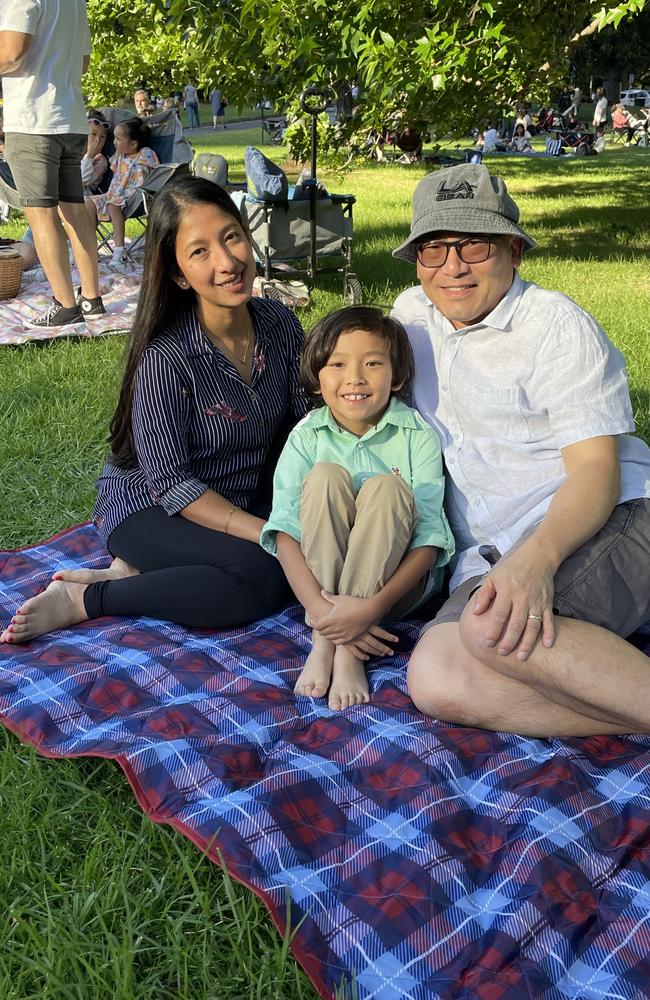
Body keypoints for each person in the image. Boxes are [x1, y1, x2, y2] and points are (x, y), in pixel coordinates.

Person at [391, 162, 650, 738]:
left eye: (474, 246)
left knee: (488, 634)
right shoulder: (410, 318)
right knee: (435, 677)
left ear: (514, 249)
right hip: (490, 549)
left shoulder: (556, 326)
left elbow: (595, 470)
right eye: (433, 249)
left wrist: (536, 561)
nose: (452, 267)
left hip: (605, 517)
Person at [1, 177, 306, 645]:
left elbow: (302, 426)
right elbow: (173, 485)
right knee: (260, 576)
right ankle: (87, 600)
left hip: (241, 495)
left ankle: (135, 574)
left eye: (231, 236)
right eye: (200, 251)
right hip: (151, 507)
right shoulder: (166, 356)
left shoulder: (280, 323)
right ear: (180, 273)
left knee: (301, 564)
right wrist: (269, 533)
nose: (227, 262)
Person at [260, 306, 454, 710]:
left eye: (372, 363)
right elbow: (284, 529)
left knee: (387, 488)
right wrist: (318, 610)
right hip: (321, 589)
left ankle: (347, 652)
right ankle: (326, 638)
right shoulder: (307, 436)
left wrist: (371, 609)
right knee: (326, 476)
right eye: (337, 364)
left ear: (396, 376)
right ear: (317, 378)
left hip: (392, 588)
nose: (355, 378)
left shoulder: (416, 435)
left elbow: (431, 538)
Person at [0, 0, 104, 327]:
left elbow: (12, 54)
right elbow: (83, 64)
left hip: (33, 122)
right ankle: (91, 299)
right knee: (73, 210)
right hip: (70, 118)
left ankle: (64, 305)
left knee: (42, 215)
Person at [85, 118, 159, 269]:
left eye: (118, 139)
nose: (113, 143)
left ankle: (120, 252)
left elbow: (154, 175)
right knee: (88, 202)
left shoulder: (145, 153)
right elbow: (114, 169)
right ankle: (90, 249)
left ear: (133, 144)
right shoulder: (121, 156)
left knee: (113, 205)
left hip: (135, 197)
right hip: (113, 195)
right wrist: (119, 152)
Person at [81, 112, 110, 197]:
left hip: (83, 197)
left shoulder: (101, 161)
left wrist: (90, 155)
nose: (97, 140)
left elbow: (82, 180)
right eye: (93, 134)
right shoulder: (74, 151)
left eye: (102, 137)